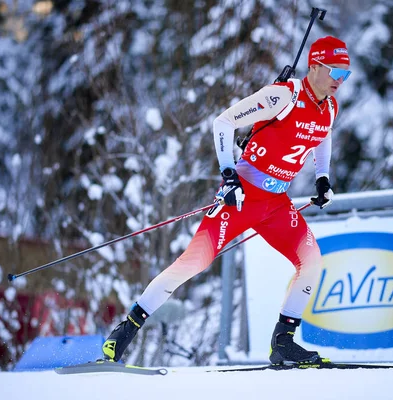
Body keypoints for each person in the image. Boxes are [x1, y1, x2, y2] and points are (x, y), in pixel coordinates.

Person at [102, 36, 351, 365]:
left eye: (345, 75)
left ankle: (283, 343)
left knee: (312, 261)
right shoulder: (283, 96)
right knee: (193, 263)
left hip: (276, 204)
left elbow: (323, 135)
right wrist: (229, 174)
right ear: (315, 66)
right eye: (335, 71)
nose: (339, 80)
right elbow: (223, 122)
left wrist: (322, 177)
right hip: (243, 196)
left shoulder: (329, 108)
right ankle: (127, 329)